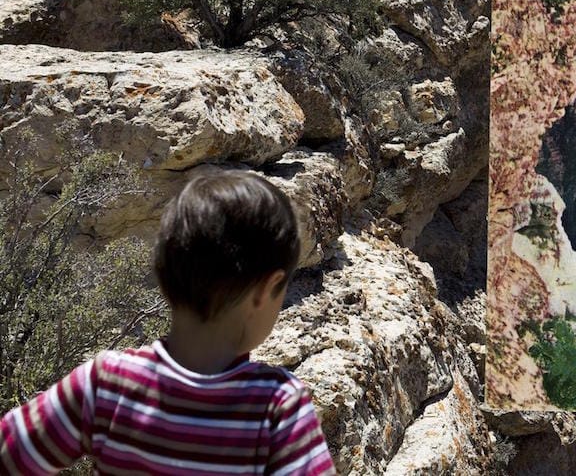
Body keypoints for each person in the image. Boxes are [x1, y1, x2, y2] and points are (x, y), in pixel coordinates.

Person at [0, 171, 335, 475]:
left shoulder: (107, 382)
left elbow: (10, 453)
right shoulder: (278, 407)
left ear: (163, 277)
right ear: (265, 290)